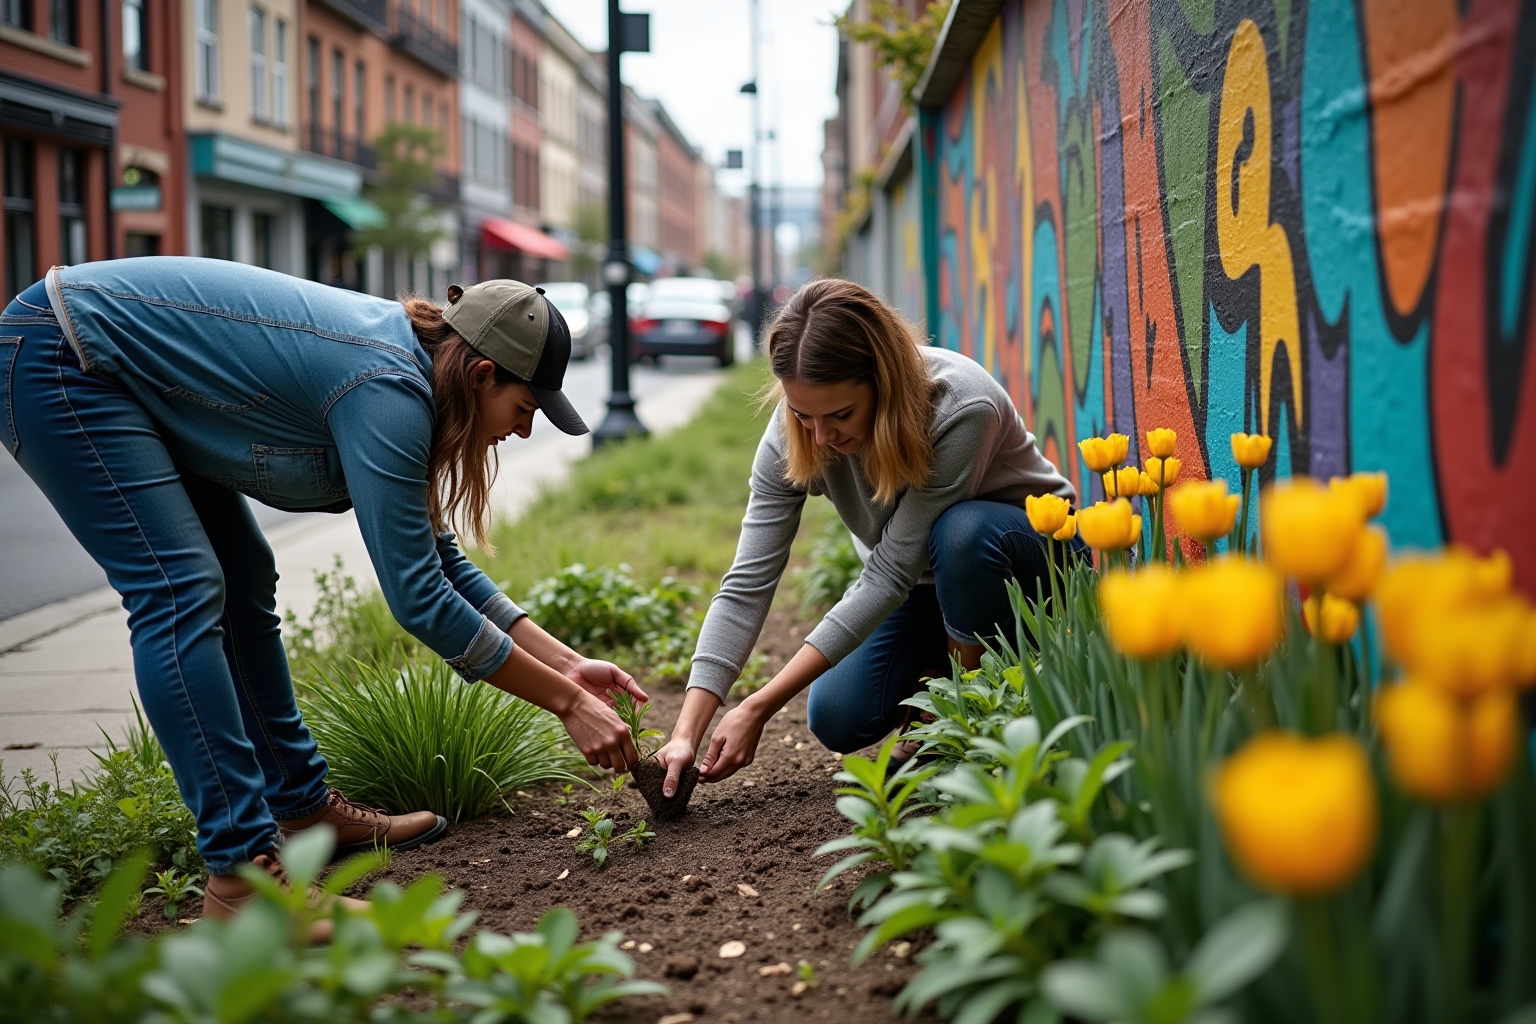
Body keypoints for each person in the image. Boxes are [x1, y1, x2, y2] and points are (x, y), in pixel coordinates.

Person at [0, 258, 644, 924]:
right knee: (180, 589)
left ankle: (301, 807)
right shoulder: (389, 389)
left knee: (242, 576)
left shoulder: (416, 373)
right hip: (65, 354)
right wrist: (565, 702)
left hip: (118, 366)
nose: (524, 429)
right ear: (482, 374)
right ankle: (242, 878)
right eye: (525, 407)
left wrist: (567, 664)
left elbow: (434, 558)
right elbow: (419, 597)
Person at [655, 279, 1080, 794]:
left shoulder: (959, 406)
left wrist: (760, 704)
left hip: (1031, 562)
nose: (822, 437)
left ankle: (963, 723)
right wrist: (686, 732)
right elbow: (748, 581)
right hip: (927, 581)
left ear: (885, 382)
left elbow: (890, 572)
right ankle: (939, 665)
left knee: (962, 533)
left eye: (840, 415)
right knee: (837, 715)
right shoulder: (799, 429)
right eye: (802, 414)